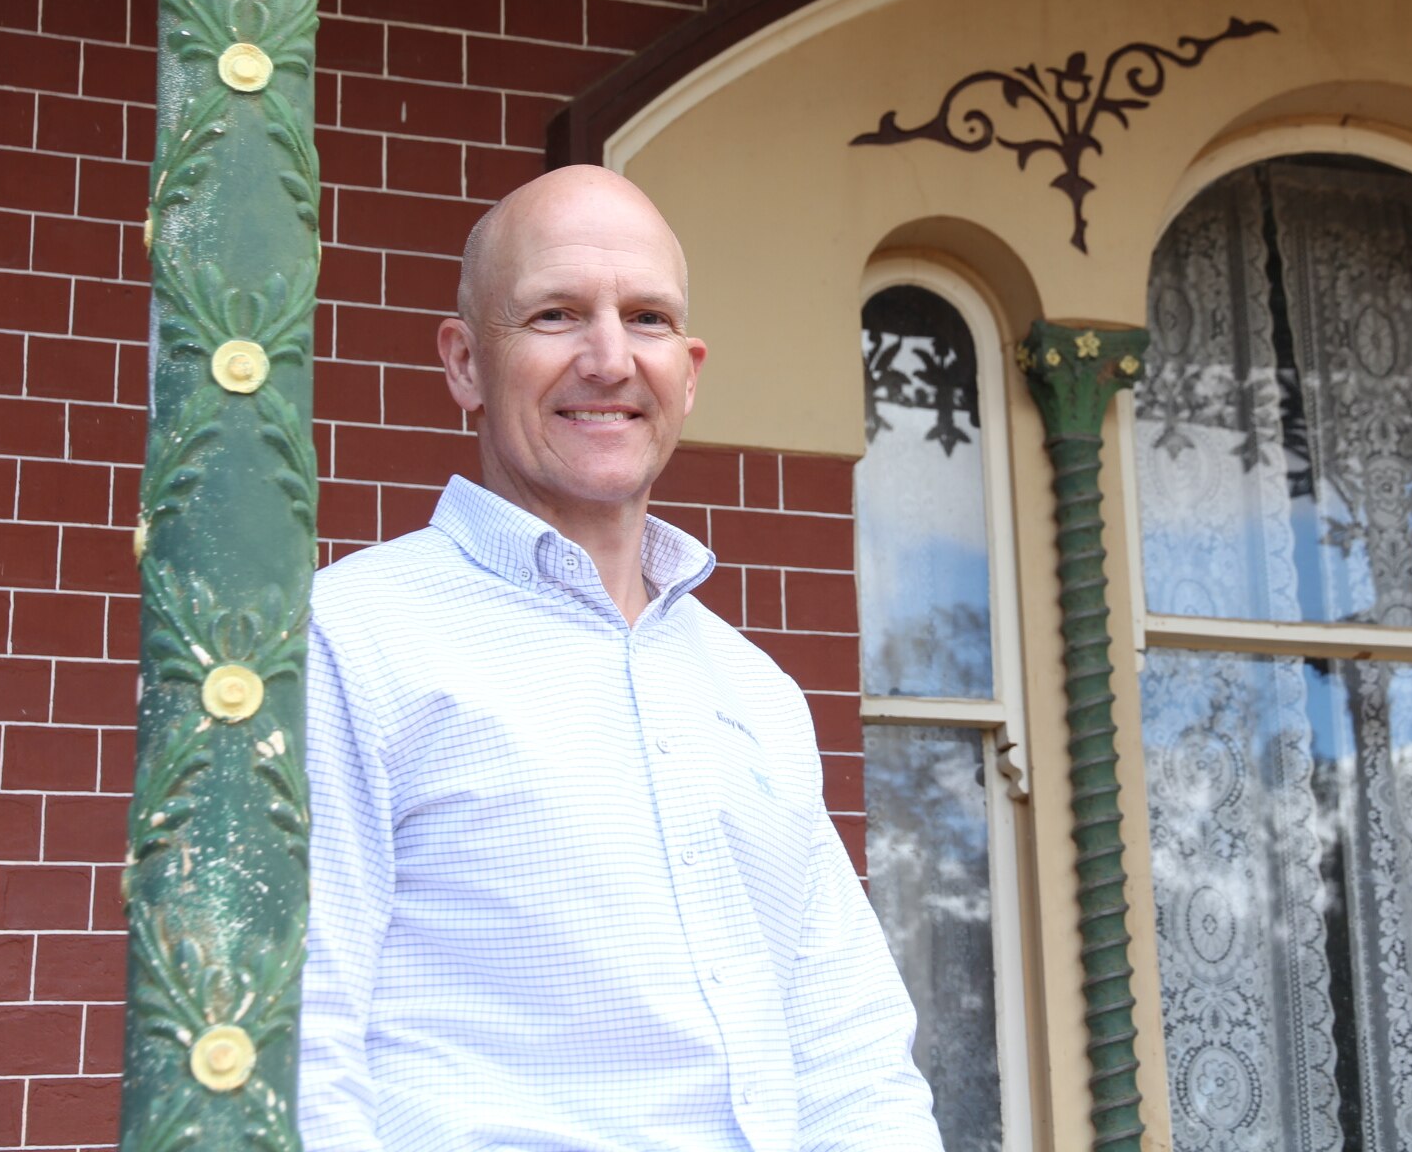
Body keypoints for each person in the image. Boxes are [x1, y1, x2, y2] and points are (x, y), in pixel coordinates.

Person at [298, 165, 942, 1151]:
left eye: (646, 318)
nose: (609, 357)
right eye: (556, 314)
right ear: (465, 362)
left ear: (689, 368)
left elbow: (848, 1050)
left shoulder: (755, 691)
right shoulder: (350, 634)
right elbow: (304, 1042)